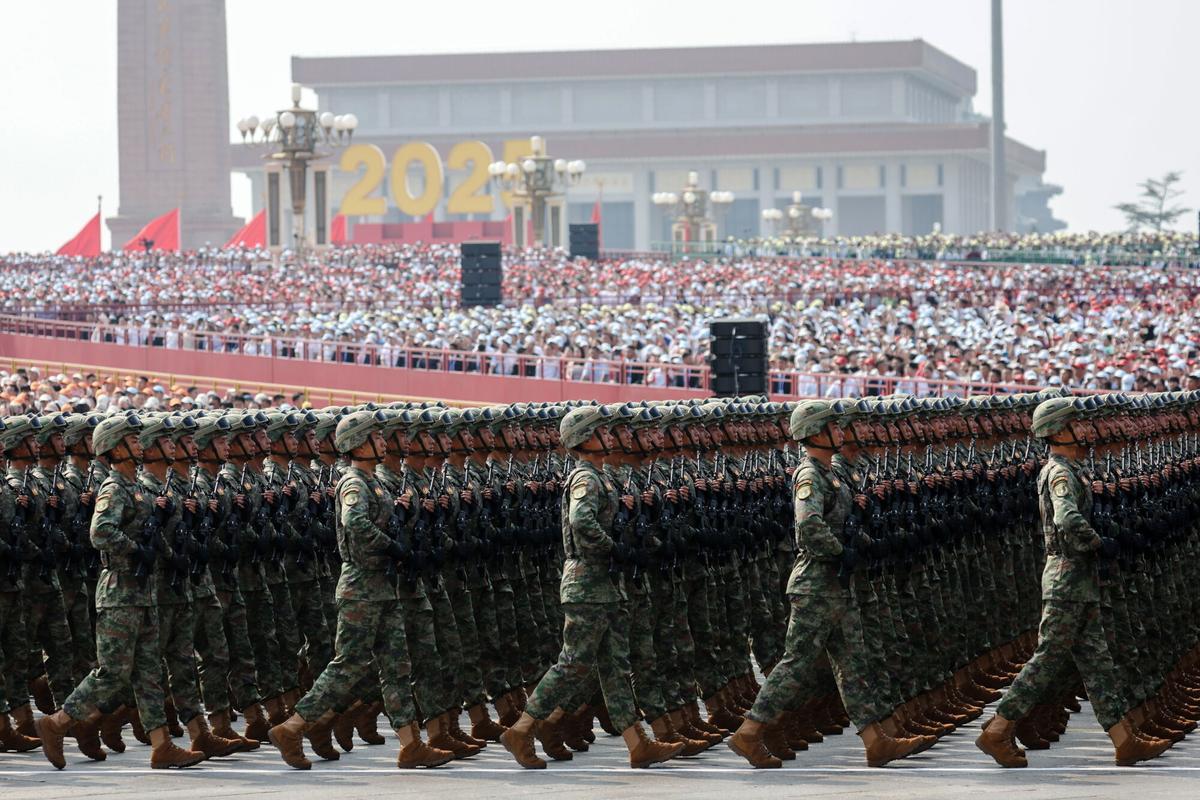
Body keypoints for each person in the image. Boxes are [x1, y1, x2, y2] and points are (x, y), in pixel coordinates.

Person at [728, 400, 932, 768]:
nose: (841, 433)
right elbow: (808, 526)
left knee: (854, 664)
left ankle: (875, 741)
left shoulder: (830, 473)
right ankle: (749, 732)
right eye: (833, 428)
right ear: (815, 433)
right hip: (816, 585)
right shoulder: (810, 475)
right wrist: (840, 552)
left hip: (836, 585)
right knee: (796, 664)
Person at [976, 396, 1173, 767]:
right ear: (1058, 430)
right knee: (1046, 659)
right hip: (1067, 578)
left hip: (1078, 580)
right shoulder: (1061, 473)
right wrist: (1098, 542)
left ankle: (1124, 739)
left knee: (1098, 663)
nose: (1084, 429)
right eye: (1075, 423)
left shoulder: (1071, 468)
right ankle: (998, 729)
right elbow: (1067, 519)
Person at [500, 405, 685, 769]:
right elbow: (582, 522)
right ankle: (522, 728)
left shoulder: (600, 477)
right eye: (603, 431)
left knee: (615, 666)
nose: (611, 437)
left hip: (605, 583)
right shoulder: (586, 478)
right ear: (586, 438)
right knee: (572, 662)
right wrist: (613, 548)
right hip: (587, 582)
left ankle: (637, 743)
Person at [267, 410, 453, 770]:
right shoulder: (354, 483)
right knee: (348, 664)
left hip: (382, 586)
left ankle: (411, 744)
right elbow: (355, 524)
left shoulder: (374, 482)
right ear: (357, 443)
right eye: (376, 437)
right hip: (361, 587)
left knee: (396, 666)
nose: (383, 442)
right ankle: (293, 727)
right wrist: (392, 546)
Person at [37, 413, 206, 770]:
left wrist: (168, 552)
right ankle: (56, 723)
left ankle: (162, 745)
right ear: (114, 448)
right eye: (131, 440)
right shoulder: (114, 488)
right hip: (119, 592)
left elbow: (148, 533)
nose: (139, 444)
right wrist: (134, 548)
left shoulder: (138, 487)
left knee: (148, 672)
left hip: (143, 592)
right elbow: (100, 532)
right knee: (112, 672)